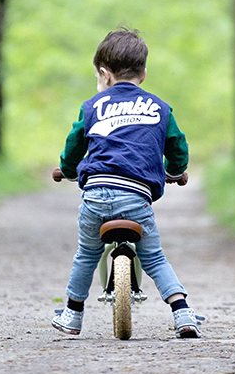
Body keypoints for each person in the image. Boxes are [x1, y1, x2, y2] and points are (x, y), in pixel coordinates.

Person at [50, 28, 201, 340]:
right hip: (136, 198)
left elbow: (74, 146)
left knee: (86, 253)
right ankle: (182, 313)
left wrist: (66, 169)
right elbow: (177, 147)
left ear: (104, 74)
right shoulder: (160, 108)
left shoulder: (92, 106)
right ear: (143, 74)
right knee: (155, 257)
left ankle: (72, 313)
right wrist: (176, 170)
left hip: (96, 197)